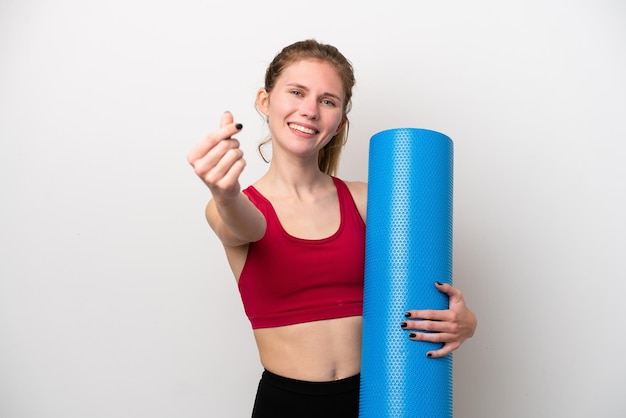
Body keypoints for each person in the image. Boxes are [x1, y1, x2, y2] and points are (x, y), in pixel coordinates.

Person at [187, 39, 477, 418]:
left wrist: (465, 323)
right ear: (264, 100)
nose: (309, 110)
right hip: (287, 406)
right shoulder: (232, 207)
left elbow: (425, 287)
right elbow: (243, 227)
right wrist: (225, 192)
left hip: (379, 397)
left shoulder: (368, 201)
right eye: (296, 92)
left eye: (327, 101)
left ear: (339, 120)